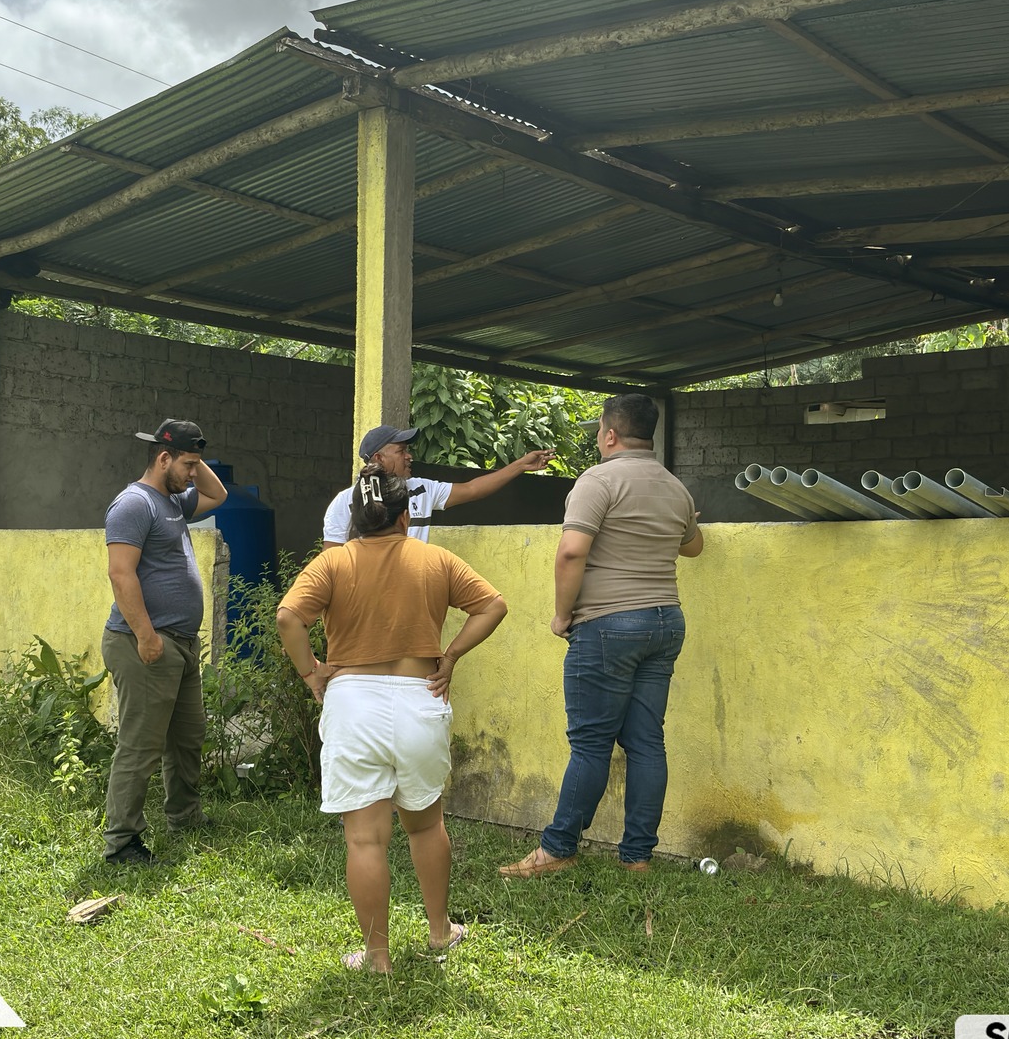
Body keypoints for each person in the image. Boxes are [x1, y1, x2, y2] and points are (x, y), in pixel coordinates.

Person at [278, 464, 509, 972]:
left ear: (355, 519)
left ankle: (377, 956)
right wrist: (450, 656)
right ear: (405, 516)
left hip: (352, 702)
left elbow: (288, 617)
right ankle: (439, 932)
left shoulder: (333, 562)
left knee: (365, 838)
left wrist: (311, 672)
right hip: (419, 698)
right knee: (426, 826)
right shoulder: (435, 559)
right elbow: (493, 606)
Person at [500, 394, 704, 879]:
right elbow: (693, 547)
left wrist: (561, 616)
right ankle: (637, 857)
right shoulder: (675, 486)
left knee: (591, 743)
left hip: (609, 624)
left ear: (610, 434)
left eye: (597, 432)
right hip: (665, 621)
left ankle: (557, 849)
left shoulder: (598, 480)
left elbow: (572, 552)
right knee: (647, 742)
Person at [100, 419, 229, 866]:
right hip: (145, 643)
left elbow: (218, 495)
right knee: (141, 746)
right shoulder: (134, 504)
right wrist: (146, 636)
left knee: (188, 736)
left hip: (181, 644)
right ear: (162, 459)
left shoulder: (172, 500)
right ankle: (122, 843)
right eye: (188, 465)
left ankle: (184, 816)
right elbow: (121, 574)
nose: (194, 474)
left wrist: (193, 455)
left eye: (195, 465)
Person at [320, 425, 554, 547]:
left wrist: (520, 465)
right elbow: (331, 561)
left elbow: (472, 489)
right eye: (401, 451)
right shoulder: (345, 502)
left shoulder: (421, 489)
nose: (409, 456)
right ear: (379, 458)